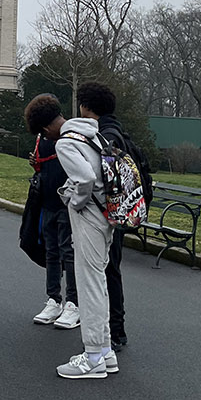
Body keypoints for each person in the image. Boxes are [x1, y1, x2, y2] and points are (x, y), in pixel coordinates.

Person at [26, 93, 119, 380]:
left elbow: (85, 179)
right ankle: (104, 350)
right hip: (108, 213)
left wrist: (73, 201)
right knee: (98, 281)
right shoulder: (89, 131)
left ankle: (92, 356)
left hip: (90, 215)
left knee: (88, 283)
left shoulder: (65, 142)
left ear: (44, 130)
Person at [78, 81, 153, 349]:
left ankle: (114, 332)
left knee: (107, 271)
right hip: (125, 209)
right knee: (111, 270)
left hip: (109, 214)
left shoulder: (104, 138)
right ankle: (115, 330)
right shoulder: (120, 133)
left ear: (85, 107)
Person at [30, 124, 79, 328]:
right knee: (51, 252)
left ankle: (74, 304)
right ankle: (54, 300)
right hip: (47, 201)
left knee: (68, 254)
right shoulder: (43, 138)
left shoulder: (69, 137)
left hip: (66, 204)